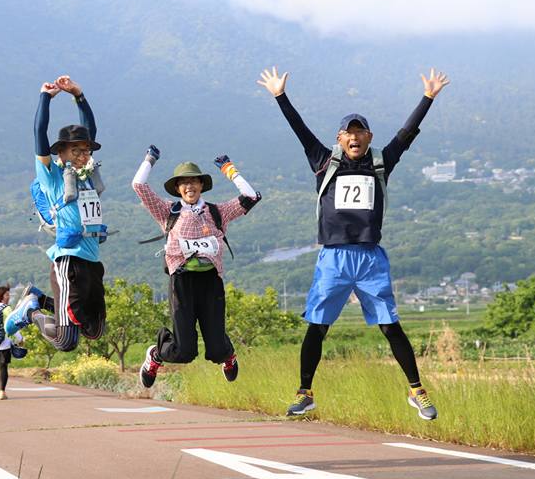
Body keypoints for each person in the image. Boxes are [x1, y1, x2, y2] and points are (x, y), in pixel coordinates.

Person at [257, 66, 449, 420]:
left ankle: (417, 391)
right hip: (333, 258)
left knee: (390, 325)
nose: (355, 137)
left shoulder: (380, 163)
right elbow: (300, 130)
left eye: (361, 132)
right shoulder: (324, 161)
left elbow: (405, 136)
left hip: (370, 258)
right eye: (349, 133)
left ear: (369, 137)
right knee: (317, 326)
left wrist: (428, 97)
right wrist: (280, 96)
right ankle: (305, 393)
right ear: (340, 138)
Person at [133, 146, 260, 388]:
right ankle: (156, 354)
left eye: (193, 181)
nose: (189, 186)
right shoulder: (168, 211)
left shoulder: (217, 211)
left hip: (211, 281)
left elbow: (251, 196)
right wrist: (150, 159)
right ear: (177, 188)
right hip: (182, 282)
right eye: (183, 182)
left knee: (217, 349)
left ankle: (228, 356)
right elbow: (139, 186)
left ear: (201, 185)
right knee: (184, 351)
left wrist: (229, 169)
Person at [29, 74, 108, 352]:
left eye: (86, 151)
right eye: (75, 150)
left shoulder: (87, 176)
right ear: (61, 152)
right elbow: (39, 135)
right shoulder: (52, 176)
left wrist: (79, 95)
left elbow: (90, 131)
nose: (82, 155)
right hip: (69, 261)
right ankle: (31, 311)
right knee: (66, 341)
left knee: (95, 330)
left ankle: (45, 301)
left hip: (92, 261)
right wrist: (45, 98)